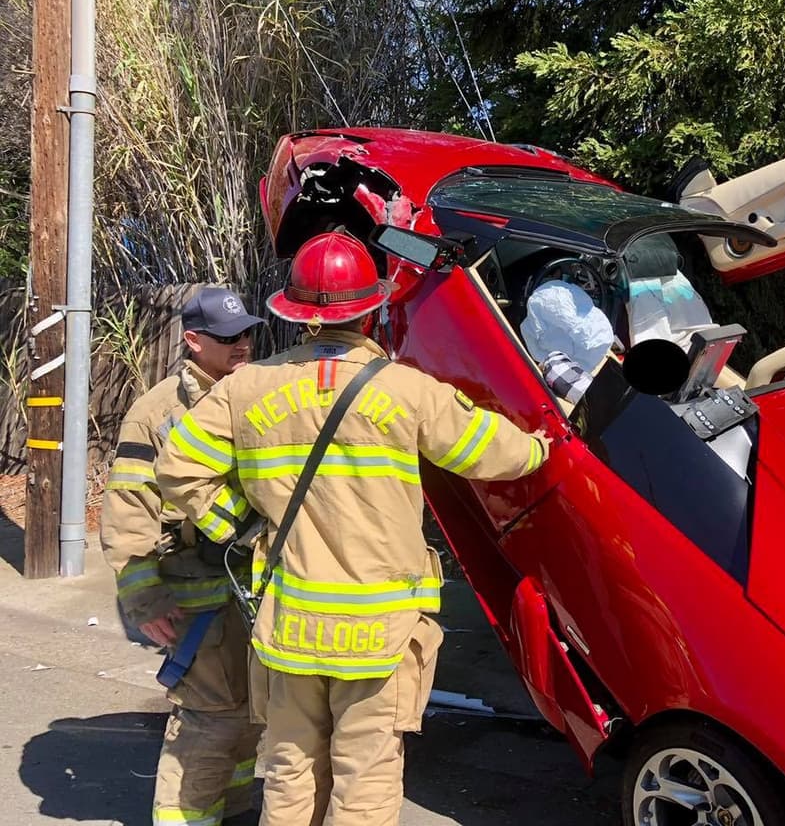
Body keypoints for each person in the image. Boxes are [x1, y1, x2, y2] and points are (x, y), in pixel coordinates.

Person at [156, 231, 551, 826]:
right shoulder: (408, 390)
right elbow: (497, 454)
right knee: (365, 778)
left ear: (295, 314)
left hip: (291, 625)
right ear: (370, 312)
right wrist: (544, 444)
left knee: (290, 771)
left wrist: (240, 524)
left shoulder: (244, 389)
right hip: (377, 634)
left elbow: (176, 469)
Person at [100, 287, 266, 826]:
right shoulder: (157, 413)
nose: (242, 344)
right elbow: (130, 507)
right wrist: (144, 598)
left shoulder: (260, 393)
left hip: (254, 590)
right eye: (227, 337)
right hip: (197, 596)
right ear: (193, 340)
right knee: (210, 718)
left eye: (246, 333)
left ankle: (231, 809)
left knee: (250, 711)